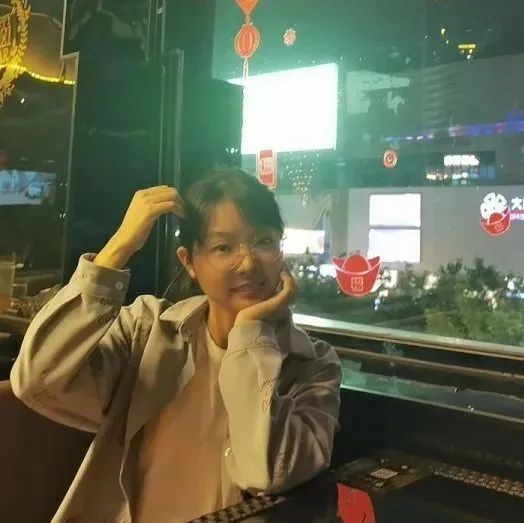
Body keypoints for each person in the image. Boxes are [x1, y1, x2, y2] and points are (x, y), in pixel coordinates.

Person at [10, 169, 342, 523]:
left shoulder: (313, 365)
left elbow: (267, 473)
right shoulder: (147, 331)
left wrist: (249, 334)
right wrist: (119, 247)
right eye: (223, 247)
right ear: (189, 262)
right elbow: (36, 380)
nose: (247, 263)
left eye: (263, 241)